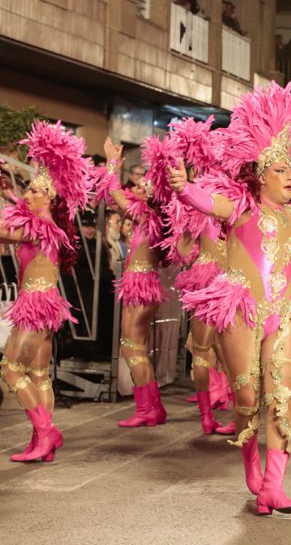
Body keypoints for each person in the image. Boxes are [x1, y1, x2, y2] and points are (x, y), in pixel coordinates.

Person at [167, 80, 291, 516]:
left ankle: (274, 485)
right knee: (247, 398)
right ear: (260, 175)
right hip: (240, 311)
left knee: (283, 396)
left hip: (285, 313)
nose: (289, 178)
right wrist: (183, 186)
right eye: (280, 171)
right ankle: (251, 464)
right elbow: (206, 202)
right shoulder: (241, 208)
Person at [1, 120, 90, 462]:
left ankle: (47, 432)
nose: (26, 195)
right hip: (43, 304)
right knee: (38, 374)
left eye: (34, 192)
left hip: (36, 305)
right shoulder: (41, 225)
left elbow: (6, 230)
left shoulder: (40, 226)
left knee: (10, 370)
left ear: (50, 197)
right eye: (27, 190)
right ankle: (44, 441)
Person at [160, 117, 234, 436]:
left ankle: (223, 414)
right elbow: (182, 247)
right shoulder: (203, 197)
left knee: (223, 352)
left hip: (230, 283)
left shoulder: (235, 195)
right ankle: (210, 415)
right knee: (205, 350)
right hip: (213, 282)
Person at [97, 136, 169, 428]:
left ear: (150, 196)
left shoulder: (146, 216)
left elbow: (114, 193)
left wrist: (113, 162)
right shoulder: (150, 217)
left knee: (131, 346)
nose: (135, 190)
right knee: (136, 346)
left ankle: (146, 409)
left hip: (141, 285)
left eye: (140, 187)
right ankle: (153, 408)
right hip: (141, 283)